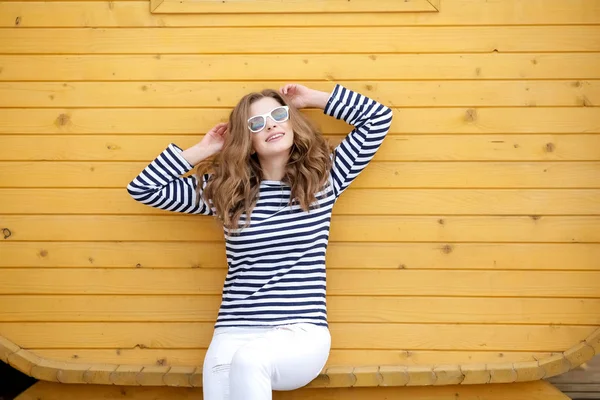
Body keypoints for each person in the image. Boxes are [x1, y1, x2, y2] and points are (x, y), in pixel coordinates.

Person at [126, 83, 393, 400]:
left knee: (250, 360)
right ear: (248, 141)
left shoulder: (325, 176)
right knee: (233, 368)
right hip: (234, 331)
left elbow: (378, 118)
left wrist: (310, 99)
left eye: (279, 115)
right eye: (256, 123)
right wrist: (205, 149)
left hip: (299, 331)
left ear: (291, 121)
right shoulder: (225, 191)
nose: (271, 124)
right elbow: (144, 189)